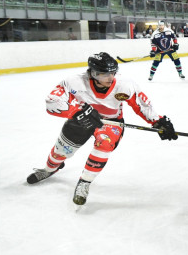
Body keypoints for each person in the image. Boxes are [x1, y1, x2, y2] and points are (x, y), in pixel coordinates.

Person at [26, 52, 177, 205]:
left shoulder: (125, 85)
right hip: (80, 121)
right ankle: (49, 169)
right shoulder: (74, 82)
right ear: (93, 73)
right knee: (60, 152)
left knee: (104, 145)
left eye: (113, 72)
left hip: (111, 123)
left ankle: (84, 182)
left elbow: (142, 105)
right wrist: (77, 111)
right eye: (105, 74)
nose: (111, 78)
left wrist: (158, 122)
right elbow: (52, 103)